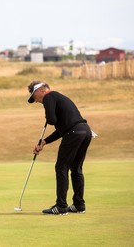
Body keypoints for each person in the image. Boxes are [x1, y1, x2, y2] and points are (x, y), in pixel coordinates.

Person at [27, 80, 92, 215]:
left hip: (74, 133)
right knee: (76, 168)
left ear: (40, 90)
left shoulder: (49, 97)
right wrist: (44, 142)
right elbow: (62, 129)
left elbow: (52, 120)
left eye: (34, 96)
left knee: (61, 167)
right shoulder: (58, 98)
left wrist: (49, 113)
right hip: (85, 131)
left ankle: (61, 206)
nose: (36, 101)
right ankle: (79, 205)